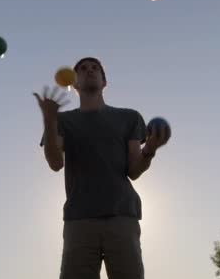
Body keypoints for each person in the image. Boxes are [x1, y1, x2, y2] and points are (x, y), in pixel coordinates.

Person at [33, 57, 171, 279]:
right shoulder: (62, 121)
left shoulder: (129, 117)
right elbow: (55, 163)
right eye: (83, 69)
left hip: (122, 215)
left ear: (104, 82)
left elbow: (134, 170)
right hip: (79, 219)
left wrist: (150, 149)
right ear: (74, 83)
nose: (90, 70)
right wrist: (49, 121)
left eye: (95, 68)